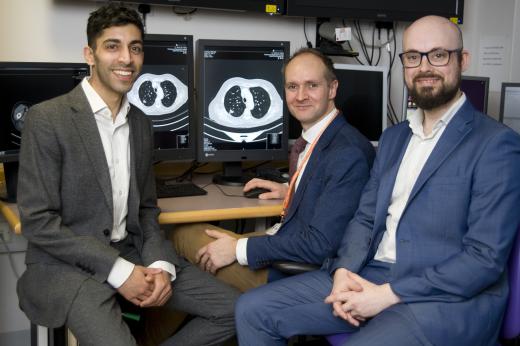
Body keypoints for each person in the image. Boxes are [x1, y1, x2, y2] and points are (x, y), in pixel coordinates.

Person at [235, 15, 520, 346]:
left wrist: (389, 294)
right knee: (252, 309)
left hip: (443, 302)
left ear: (462, 60)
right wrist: (343, 272)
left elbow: (483, 259)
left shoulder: (496, 144)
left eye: (438, 54)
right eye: (413, 57)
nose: (424, 66)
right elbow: (365, 218)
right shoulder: (395, 138)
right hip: (369, 275)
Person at [16, 4, 239, 346]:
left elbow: (147, 209)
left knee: (236, 311)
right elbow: (38, 222)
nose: (126, 58)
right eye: (112, 46)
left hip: (132, 252)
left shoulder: (140, 123)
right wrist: (120, 272)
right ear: (90, 54)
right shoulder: (48, 119)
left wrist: (161, 265)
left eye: (135, 48)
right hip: (71, 265)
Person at [171, 48, 375, 292]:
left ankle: (225, 316)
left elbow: (321, 245)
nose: (300, 96)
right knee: (194, 257)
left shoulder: (347, 153)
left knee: (184, 237)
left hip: (295, 270)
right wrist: (291, 189)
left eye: (311, 85)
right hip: (286, 245)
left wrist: (238, 249)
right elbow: (332, 190)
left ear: (332, 89)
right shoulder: (322, 139)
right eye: (292, 86)